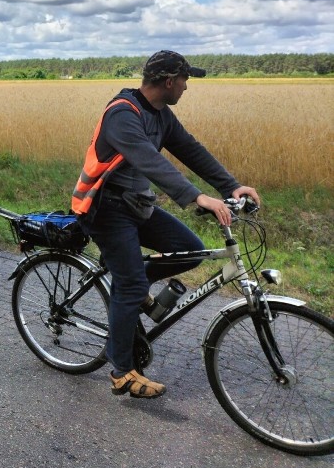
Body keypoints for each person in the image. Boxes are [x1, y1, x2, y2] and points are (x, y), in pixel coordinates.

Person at [71, 50, 259, 399]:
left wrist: (230, 185)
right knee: (129, 284)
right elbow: (150, 161)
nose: (187, 87)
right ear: (169, 81)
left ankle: (130, 284)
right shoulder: (122, 114)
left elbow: (190, 149)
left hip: (137, 205)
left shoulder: (161, 115)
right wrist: (196, 197)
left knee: (192, 251)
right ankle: (122, 371)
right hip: (104, 208)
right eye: (185, 80)